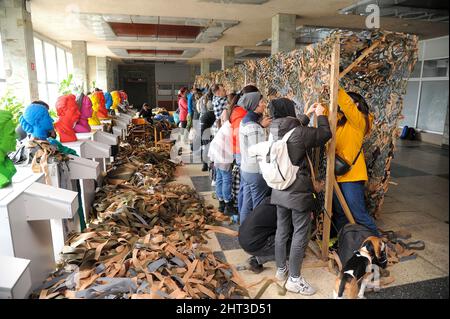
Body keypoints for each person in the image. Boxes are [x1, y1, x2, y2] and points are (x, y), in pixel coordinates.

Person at [268, 97, 331, 296]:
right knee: (301, 232)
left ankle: (281, 271)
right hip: (297, 191)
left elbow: (293, 130)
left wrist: (307, 114)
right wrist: (321, 116)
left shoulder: (273, 130)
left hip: (279, 188)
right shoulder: (299, 133)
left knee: (282, 229)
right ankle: (294, 279)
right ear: (289, 110)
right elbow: (324, 134)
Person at [332, 88, 380, 236]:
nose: (343, 107)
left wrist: (336, 88)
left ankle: (378, 245)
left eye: (349, 103)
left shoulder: (360, 122)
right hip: (337, 173)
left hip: (352, 175)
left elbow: (348, 106)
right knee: (340, 211)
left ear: (357, 105)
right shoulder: (340, 122)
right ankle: (342, 240)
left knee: (358, 213)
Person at [238, 88, 272, 223]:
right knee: (259, 207)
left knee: (247, 203)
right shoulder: (253, 127)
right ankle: (256, 236)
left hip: (246, 169)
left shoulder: (246, 121)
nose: (264, 104)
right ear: (255, 106)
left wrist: (261, 126)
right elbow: (259, 151)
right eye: (262, 102)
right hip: (256, 172)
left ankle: (244, 231)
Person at [238, 197, 292, 273]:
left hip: (244, 238)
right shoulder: (280, 211)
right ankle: (255, 261)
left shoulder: (269, 200)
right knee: (294, 247)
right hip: (253, 244)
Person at [229, 85, 258, 215]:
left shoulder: (238, 111)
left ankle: (242, 214)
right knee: (244, 189)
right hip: (241, 152)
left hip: (239, 151)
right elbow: (239, 135)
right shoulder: (242, 115)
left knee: (244, 188)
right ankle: (242, 214)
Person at [199, 89, 216, 171]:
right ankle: (208, 165)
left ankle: (205, 164)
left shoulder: (205, 115)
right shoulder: (213, 114)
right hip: (207, 132)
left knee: (204, 148)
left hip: (203, 132)